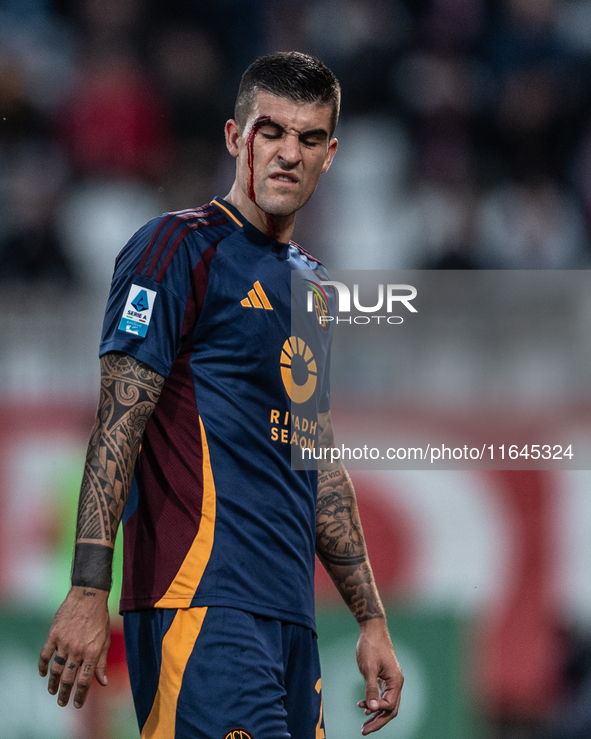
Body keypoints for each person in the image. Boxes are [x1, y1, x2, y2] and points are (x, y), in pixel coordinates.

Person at [38, 51, 403, 738]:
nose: (288, 153)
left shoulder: (313, 287)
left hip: (290, 620)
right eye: (272, 131)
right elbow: (118, 421)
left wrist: (370, 617)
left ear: (330, 156)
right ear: (237, 138)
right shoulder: (173, 248)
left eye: (308, 138)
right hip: (198, 604)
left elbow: (316, 461)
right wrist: (90, 586)